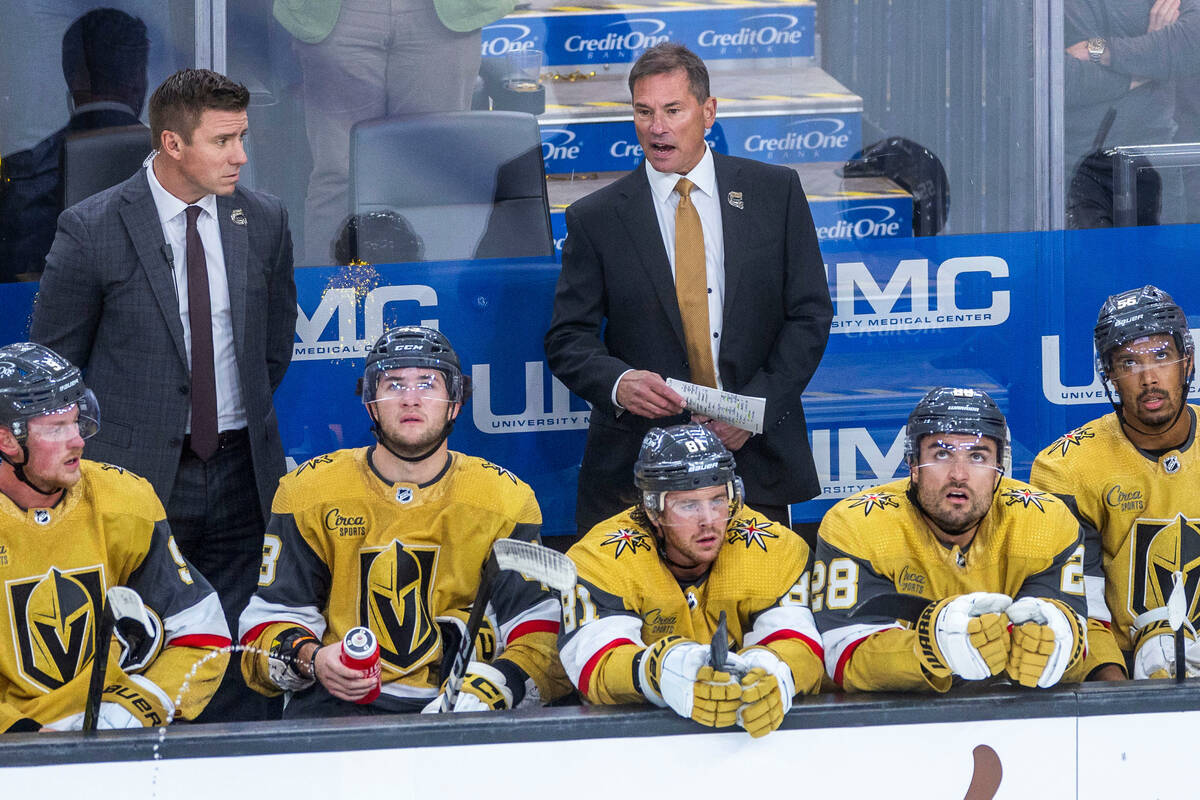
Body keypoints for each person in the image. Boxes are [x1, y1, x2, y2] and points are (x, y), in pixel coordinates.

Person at [29, 68, 297, 722]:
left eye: (243, 138)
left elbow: (273, 346)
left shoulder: (262, 219)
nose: (240, 156)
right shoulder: (91, 227)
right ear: (172, 145)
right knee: (145, 646)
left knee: (234, 651)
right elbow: (54, 366)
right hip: (135, 477)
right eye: (223, 141)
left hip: (241, 469)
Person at [544, 42, 832, 537]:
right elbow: (568, 339)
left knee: (761, 607)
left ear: (708, 111)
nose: (657, 127)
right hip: (636, 466)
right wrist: (618, 383)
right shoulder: (596, 218)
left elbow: (808, 314)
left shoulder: (774, 191)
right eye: (643, 111)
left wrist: (754, 412)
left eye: (672, 110)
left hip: (757, 460)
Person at [238, 326, 570, 717]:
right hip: (336, 705)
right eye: (393, 384)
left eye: (428, 383)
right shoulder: (310, 491)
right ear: (370, 404)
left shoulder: (505, 499)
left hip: (463, 701)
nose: (411, 399)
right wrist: (311, 659)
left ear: (455, 402)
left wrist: (491, 689)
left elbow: (539, 631)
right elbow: (267, 626)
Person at [0, 342, 229, 732]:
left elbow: (202, 633)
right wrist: (21, 736)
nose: (78, 440)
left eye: (76, 421)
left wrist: (132, 709)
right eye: (57, 429)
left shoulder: (123, 499)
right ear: (6, 440)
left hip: (115, 740)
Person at [814, 388, 1089, 693]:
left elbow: (1073, 646)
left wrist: (1055, 638)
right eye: (942, 454)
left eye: (977, 456)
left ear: (1000, 469)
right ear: (913, 465)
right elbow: (845, 655)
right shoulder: (855, 525)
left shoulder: (1046, 521)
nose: (959, 475)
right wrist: (935, 645)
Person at [559, 424, 825, 738]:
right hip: (631, 752)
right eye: (688, 505)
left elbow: (802, 644)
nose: (709, 520)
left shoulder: (774, 546)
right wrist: (664, 668)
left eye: (717, 500)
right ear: (653, 509)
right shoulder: (600, 557)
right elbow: (596, 665)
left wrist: (769, 672)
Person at [1031, 285, 1199, 681]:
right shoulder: (1066, 466)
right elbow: (1077, 603)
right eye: (1128, 363)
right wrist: (1119, 702)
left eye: (1161, 356)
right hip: (1123, 663)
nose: (1149, 378)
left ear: (1186, 363)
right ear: (1109, 375)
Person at [278, 0, 512, 265]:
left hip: (444, 12)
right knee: (338, 173)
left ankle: (437, 295)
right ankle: (327, 299)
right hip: (336, 13)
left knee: (433, 173)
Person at [0, 8, 149, 282]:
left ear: (72, 78)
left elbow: (18, 284)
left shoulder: (23, 173)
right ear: (139, 79)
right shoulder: (179, 161)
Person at [1063, 0, 1200, 228]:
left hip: (1154, 165)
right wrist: (1155, 63)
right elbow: (1062, 79)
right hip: (1073, 167)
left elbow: (1192, 42)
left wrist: (1098, 49)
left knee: (1158, 260)